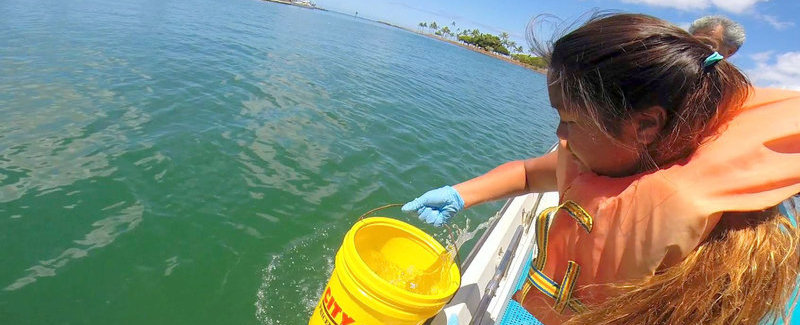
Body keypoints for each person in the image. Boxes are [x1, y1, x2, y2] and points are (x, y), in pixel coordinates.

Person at [402, 13, 800, 324]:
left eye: (569, 120)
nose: (559, 133)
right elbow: (528, 174)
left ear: (645, 125)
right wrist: (461, 194)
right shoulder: (605, 152)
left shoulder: (721, 243)